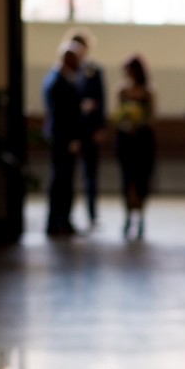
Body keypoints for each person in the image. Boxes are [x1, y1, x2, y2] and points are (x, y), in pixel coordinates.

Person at [42, 42, 82, 237]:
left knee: (64, 181)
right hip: (63, 139)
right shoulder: (58, 81)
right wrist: (71, 139)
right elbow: (62, 114)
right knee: (61, 182)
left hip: (63, 137)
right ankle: (57, 222)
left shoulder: (62, 78)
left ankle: (63, 220)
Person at [115, 55, 155, 240]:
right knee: (127, 180)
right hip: (126, 141)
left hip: (143, 141)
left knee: (142, 180)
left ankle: (141, 218)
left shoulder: (148, 93)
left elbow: (152, 118)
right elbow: (117, 115)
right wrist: (126, 124)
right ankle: (128, 216)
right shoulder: (122, 91)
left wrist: (139, 123)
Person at [69, 30, 106, 231]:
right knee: (69, 174)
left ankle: (92, 214)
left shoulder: (94, 70)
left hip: (91, 130)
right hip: (74, 130)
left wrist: (100, 127)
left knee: (91, 175)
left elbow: (101, 101)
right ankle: (68, 214)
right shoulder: (68, 69)